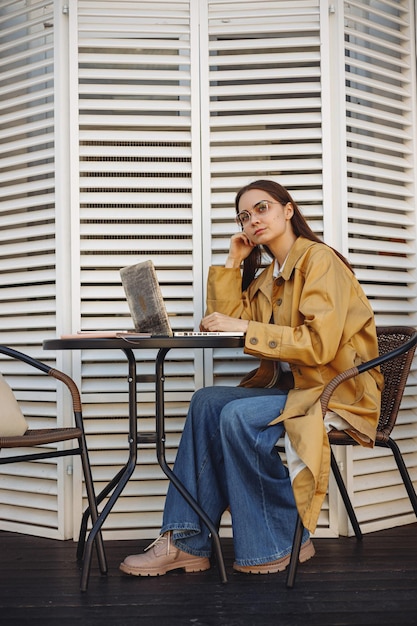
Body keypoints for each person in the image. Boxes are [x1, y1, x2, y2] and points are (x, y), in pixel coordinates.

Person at [120, 179, 383, 577]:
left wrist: (243, 327)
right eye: (244, 216)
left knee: (237, 417)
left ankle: (279, 537)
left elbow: (319, 346)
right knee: (207, 400)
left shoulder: (318, 260)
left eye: (262, 209)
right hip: (297, 389)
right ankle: (185, 541)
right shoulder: (269, 277)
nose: (253, 220)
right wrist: (232, 261)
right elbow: (224, 326)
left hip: (334, 391)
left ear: (288, 210)